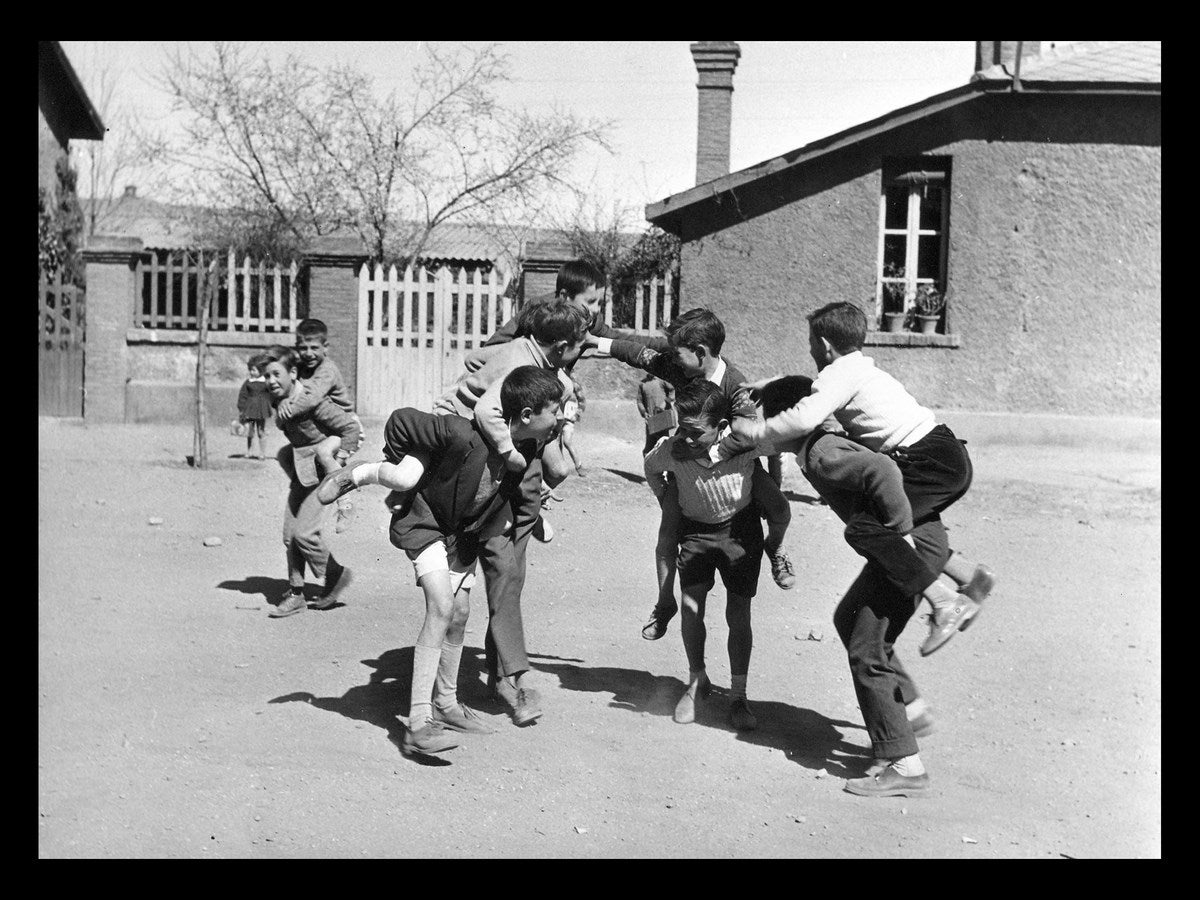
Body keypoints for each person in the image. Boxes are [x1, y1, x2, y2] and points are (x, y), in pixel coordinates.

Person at [734, 301, 982, 797]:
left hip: (921, 502)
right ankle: (907, 710)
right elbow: (807, 397)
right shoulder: (846, 382)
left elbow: (879, 468)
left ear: (823, 346)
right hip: (936, 481)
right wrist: (771, 386)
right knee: (851, 619)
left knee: (866, 637)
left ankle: (905, 765)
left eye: (773, 418)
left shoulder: (823, 452)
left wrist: (756, 433)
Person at [320, 298, 587, 728]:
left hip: (469, 497)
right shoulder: (488, 407)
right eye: (580, 345)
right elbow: (433, 417)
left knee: (461, 609)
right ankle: (360, 473)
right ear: (557, 345)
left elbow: (476, 358)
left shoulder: (535, 395)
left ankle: (447, 703)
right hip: (442, 458)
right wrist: (470, 447)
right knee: (408, 481)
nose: (558, 420)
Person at [586, 307, 797, 644]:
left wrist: (710, 453)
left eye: (679, 354)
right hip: (685, 466)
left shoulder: (734, 384)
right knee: (667, 535)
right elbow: (640, 355)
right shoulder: (682, 367)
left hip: (733, 467)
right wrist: (596, 341)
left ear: (700, 354)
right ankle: (664, 603)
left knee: (780, 509)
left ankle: (776, 549)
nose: (673, 359)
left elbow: (748, 434)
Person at [643, 380, 766, 732]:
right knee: (691, 609)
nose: (687, 438)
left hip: (739, 533)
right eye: (683, 427)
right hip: (695, 533)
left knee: (738, 614)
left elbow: (774, 444)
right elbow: (650, 466)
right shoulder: (673, 449)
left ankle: (739, 695)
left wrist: (765, 480)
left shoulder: (741, 446)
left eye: (697, 432)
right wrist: (665, 495)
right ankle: (697, 680)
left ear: (721, 427)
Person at [260, 345, 360, 619]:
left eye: (275, 374)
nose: (270, 381)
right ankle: (296, 594)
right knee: (289, 535)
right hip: (301, 472)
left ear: (293, 373)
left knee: (304, 533)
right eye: (266, 376)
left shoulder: (313, 401)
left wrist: (338, 463)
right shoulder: (278, 400)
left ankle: (335, 574)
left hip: (323, 475)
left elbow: (350, 428)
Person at [275, 318, 362, 532]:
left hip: (345, 425)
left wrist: (286, 410)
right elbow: (294, 389)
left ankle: (346, 502)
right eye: (302, 348)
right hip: (326, 425)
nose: (308, 353)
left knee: (324, 453)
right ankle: (317, 487)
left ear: (325, 347)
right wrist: (285, 399)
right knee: (285, 455)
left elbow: (311, 397)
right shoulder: (303, 369)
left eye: (314, 347)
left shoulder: (327, 370)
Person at [236, 354, 273, 459]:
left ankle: (262, 453)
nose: (251, 372)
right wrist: (241, 408)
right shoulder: (248, 383)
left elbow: (271, 394)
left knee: (261, 431)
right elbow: (242, 395)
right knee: (250, 432)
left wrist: (271, 404)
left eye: (254, 370)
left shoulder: (265, 382)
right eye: (250, 370)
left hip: (261, 410)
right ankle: (249, 451)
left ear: (261, 371)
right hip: (250, 410)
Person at [637, 373, 675, 456]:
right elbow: (639, 401)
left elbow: (672, 390)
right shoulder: (642, 384)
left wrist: (666, 402)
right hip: (650, 419)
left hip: (662, 417)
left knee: (663, 445)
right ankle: (652, 468)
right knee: (649, 448)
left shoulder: (662, 380)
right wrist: (644, 412)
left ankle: (669, 468)